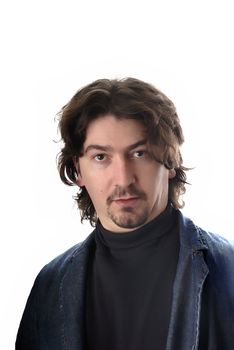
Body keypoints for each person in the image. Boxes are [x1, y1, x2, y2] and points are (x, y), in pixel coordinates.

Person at [16, 78, 234, 350]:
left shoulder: (229, 270)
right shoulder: (49, 285)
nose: (123, 178)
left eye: (139, 153)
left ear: (170, 161)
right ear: (78, 170)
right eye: (100, 157)